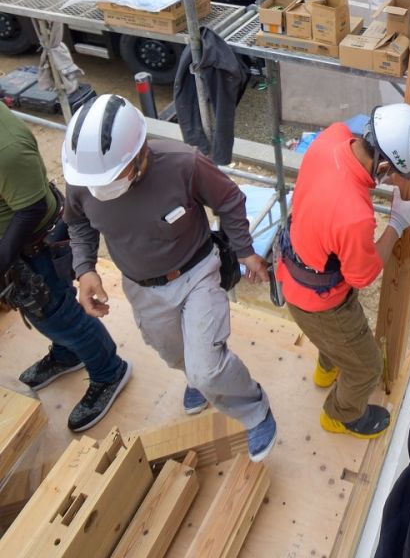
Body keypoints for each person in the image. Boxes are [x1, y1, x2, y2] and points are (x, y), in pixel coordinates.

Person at [62, 94, 277, 462]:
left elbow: (228, 200)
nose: (103, 188)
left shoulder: (184, 164)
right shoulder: (84, 179)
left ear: (140, 153)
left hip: (196, 272)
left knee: (208, 368)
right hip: (142, 287)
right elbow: (78, 223)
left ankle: (254, 409)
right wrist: (85, 269)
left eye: (114, 176)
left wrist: (244, 250)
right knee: (173, 353)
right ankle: (195, 379)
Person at [277, 104, 410, 440]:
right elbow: (361, 276)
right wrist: (397, 223)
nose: (391, 180)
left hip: (296, 272)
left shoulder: (332, 137)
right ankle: (340, 416)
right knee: (366, 366)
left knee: (335, 341)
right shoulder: (353, 215)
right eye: (393, 174)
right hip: (321, 304)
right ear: (385, 164)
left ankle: (327, 368)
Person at [0, 101, 131, 432]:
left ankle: (109, 371)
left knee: (62, 316)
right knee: (46, 316)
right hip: (16, 247)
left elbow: (31, 207)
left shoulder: (8, 149)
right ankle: (67, 354)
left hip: (34, 246)